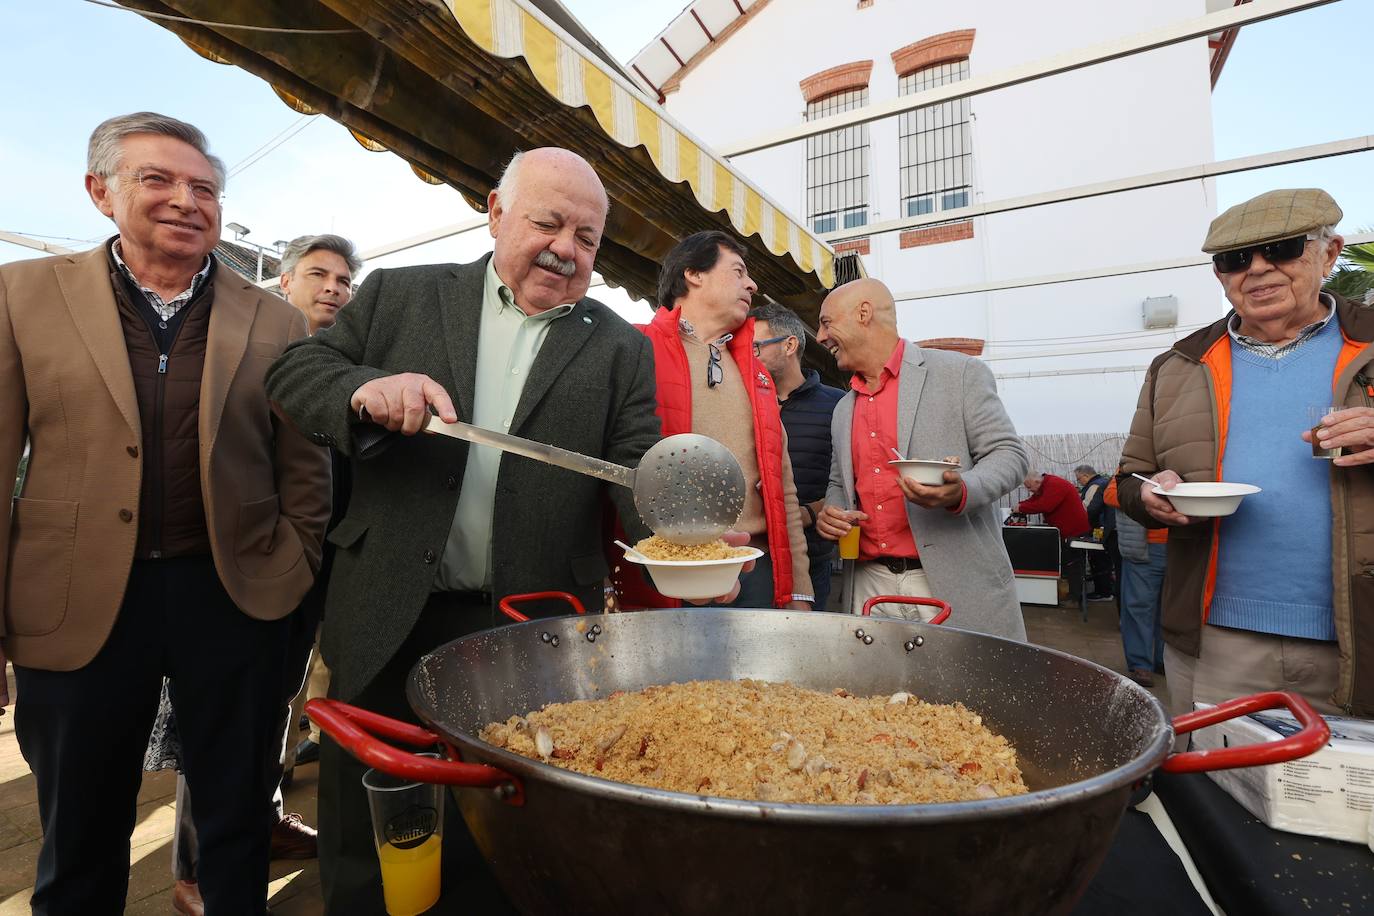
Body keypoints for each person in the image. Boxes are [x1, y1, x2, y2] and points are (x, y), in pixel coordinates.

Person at [265, 147, 665, 913]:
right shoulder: (399, 296)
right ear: (494, 210)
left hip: (529, 620)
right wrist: (363, 389)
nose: (565, 248)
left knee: (504, 824)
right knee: (364, 825)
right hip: (389, 603)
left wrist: (676, 520)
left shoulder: (620, 345)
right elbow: (294, 376)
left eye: (587, 238)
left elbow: (635, 463)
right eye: (548, 222)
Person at [0, 112, 330, 913]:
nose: (187, 201)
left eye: (205, 188)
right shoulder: (22, 294)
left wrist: (289, 567)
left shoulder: (276, 319)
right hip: (73, 601)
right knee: (79, 829)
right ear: (99, 192)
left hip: (232, 595)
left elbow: (305, 469)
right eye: (159, 180)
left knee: (234, 818)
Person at [160, 233, 362, 913]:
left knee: (275, 708)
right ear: (283, 284)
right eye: (318, 274)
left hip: (324, 564)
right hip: (248, 567)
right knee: (221, 716)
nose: (334, 287)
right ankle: (195, 868)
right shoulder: (247, 351)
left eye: (345, 279)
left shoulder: (350, 361)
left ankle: (263, 821)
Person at [1117, 188, 1374, 721]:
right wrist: (1149, 494)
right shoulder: (1179, 365)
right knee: (1215, 792)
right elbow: (1128, 478)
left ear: (1329, 254)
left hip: (1361, 636)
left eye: (1281, 249)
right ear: (1221, 276)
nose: (1258, 270)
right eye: (1235, 260)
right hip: (1215, 639)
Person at [813, 278, 1028, 640]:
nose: (820, 337)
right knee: (876, 693)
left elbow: (1009, 455)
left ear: (863, 313)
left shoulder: (959, 374)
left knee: (962, 692)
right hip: (869, 583)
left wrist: (961, 492)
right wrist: (832, 514)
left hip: (949, 582)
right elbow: (840, 483)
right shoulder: (843, 407)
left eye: (826, 322)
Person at [613, 230, 813, 610]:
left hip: (754, 570)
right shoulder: (636, 350)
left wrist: (798, 588)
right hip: (668, 572)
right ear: (693, 274)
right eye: (738, 271)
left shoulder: (758, 375)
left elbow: (783, 489)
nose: (752, 284)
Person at [749, 300, 845, 610]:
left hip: (811, 560)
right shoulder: (741, 402)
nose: (747, 357)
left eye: (756, 348)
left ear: (790, 345)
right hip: (750, 557)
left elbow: (850, 483)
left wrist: (802, 514)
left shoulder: (838, 405)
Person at [1105, 477, 1166, 688]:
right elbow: (1111, 494)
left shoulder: (1184, 461)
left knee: (1170, 608)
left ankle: (1163, 660)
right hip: (1143, 548)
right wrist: (1147, 496)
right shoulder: (1133, 468)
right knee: (1139, 606)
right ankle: (1141, 665)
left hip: (1183, 547)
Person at [1074, 464, 1116, 601]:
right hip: (1106, 527)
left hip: (1099, 528)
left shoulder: (1094, 486)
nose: (1079, 482)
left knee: (1099, 559)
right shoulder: (1103, 482)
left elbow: (1089, 509)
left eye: (1079, 479)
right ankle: (1105, 590)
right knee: (1103, 559)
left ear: (1086, 476)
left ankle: (1103, 592)